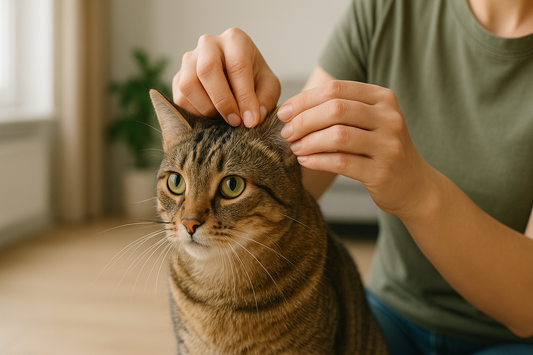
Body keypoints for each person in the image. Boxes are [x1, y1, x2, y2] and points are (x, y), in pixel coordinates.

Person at [171, 0, 533, 353]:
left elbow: (527, 308)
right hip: (389, 317)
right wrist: (232, 104)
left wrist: (418, 191)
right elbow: (295, 187)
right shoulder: (383, 9)